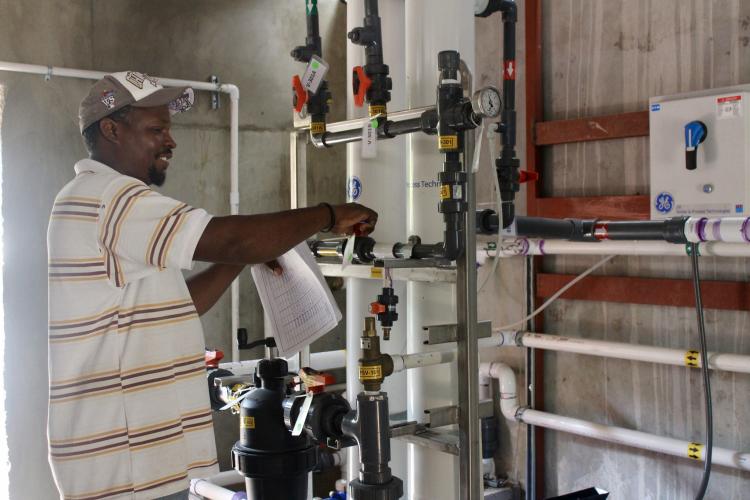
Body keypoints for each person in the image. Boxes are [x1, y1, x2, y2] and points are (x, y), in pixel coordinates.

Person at [47, 71, 377, 500]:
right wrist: (329, 215)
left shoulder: (104, 203)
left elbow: (182, 303)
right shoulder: (112, 199)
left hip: (142, 464)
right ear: (111, 129)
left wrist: (245, 257)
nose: (170, 141)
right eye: (156, 129)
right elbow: (233, 237)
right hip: (126, 472)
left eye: (169, 128)